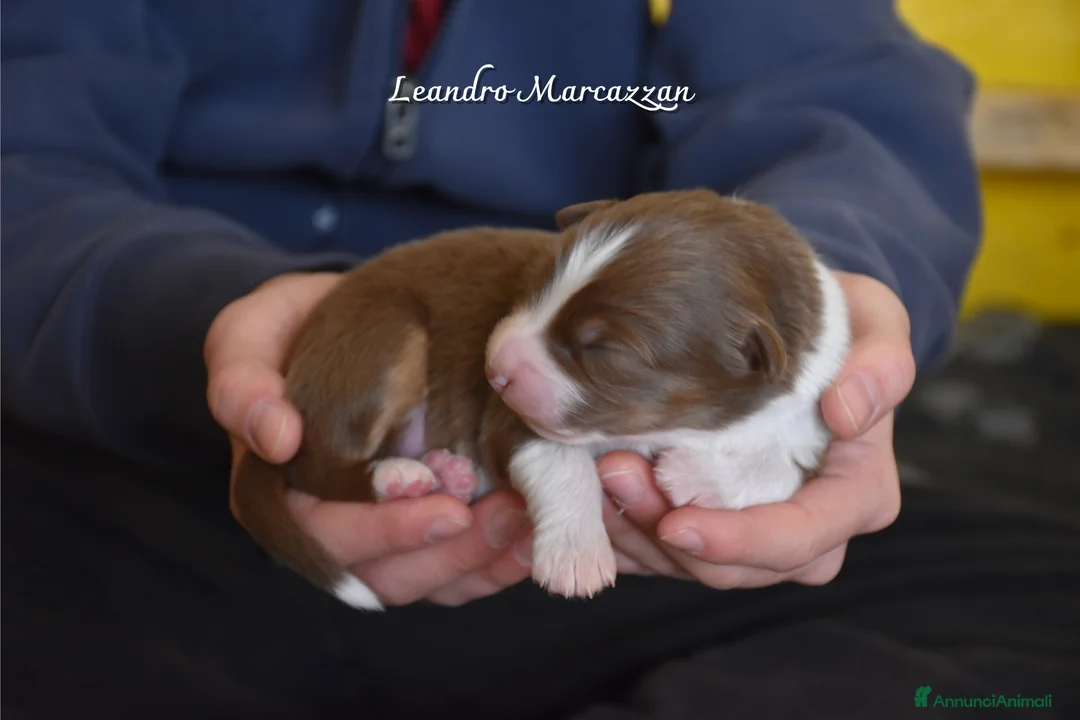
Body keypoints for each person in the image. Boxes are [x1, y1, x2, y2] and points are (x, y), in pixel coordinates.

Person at [2, 1, 1076, 718]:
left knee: (1045, 620)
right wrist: (166, 316)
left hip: (610, 519)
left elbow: (841, 92)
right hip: (120, 447)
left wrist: (841, 286)